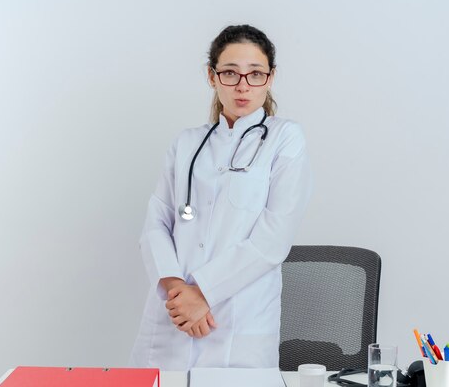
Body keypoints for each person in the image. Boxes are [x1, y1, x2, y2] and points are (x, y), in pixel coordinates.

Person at [129, 24, 312, 370]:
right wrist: (175, 291)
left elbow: (273, 238)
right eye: (230, 72)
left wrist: (203, 293)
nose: (243, 85)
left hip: (239, 319)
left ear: (270, 78)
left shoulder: (285, 139)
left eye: (255, 73)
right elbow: (156, 222)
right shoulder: (187, 143)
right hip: (174, 315)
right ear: (212, 77)